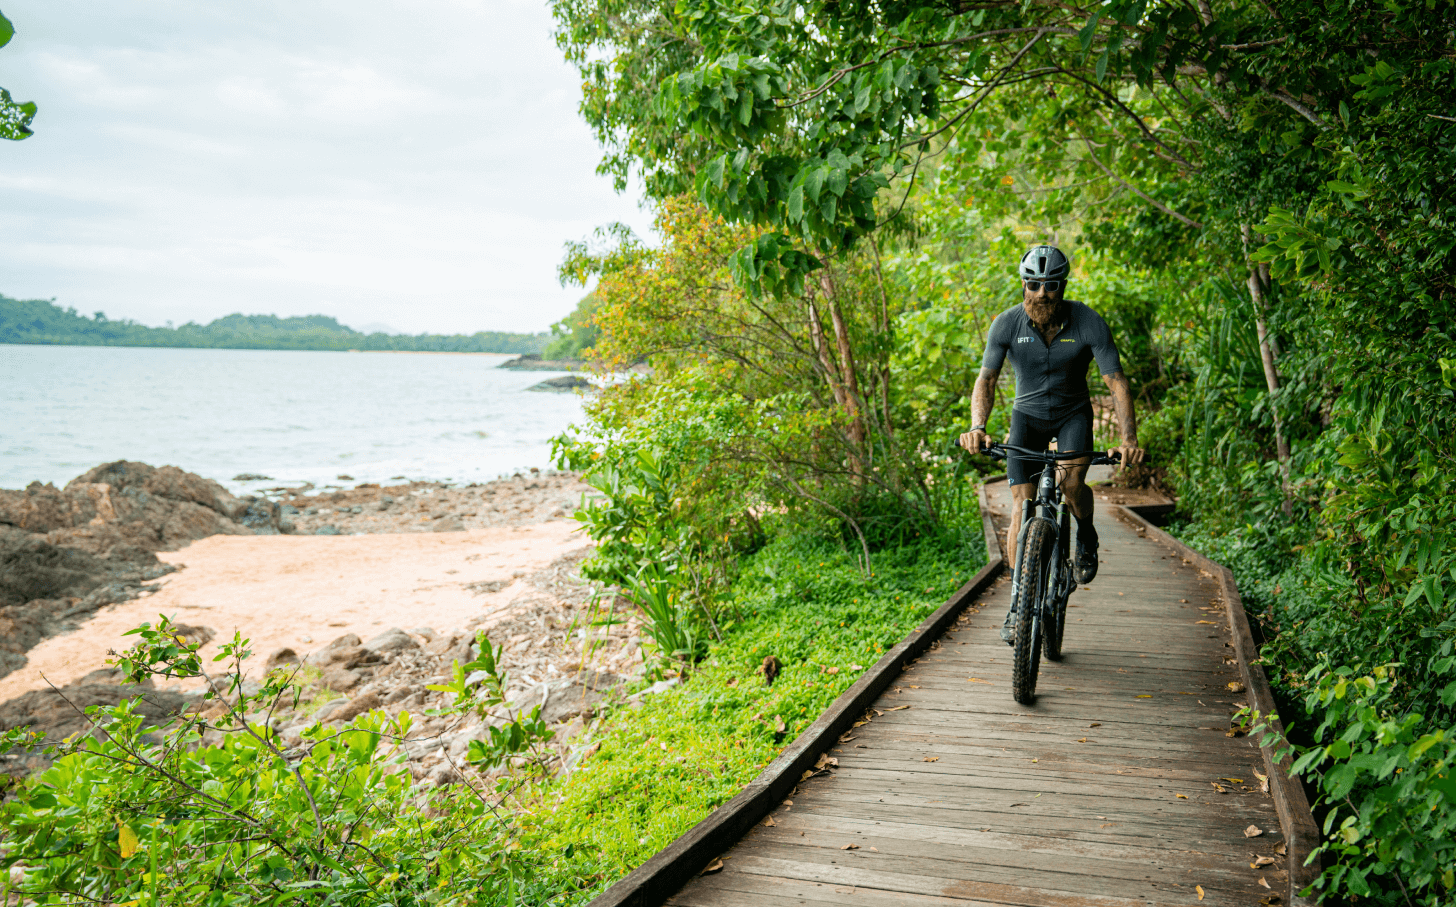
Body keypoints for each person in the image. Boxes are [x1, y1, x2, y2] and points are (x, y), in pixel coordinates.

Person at [958, 245, 1145, 644]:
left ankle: (1087, 537)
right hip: (1025, 418)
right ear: (1022, 284)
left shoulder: (1088, 321)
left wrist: (1128, 439)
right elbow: (986, 380)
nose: (1042, 293)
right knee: (1020, 504)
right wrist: (977, 425)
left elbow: (1116, 382)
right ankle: (1016, 605)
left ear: (1063, 286)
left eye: (1052, 285)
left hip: (1072, 415)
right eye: (1033, 284)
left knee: (1072, 485)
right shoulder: (1006, 324)